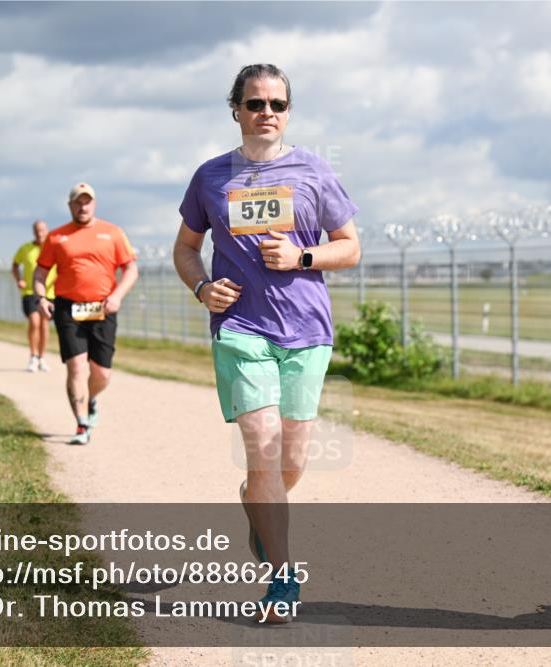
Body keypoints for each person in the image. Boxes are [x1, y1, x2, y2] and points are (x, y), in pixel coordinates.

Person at [172, 64, 360, 623]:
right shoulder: (210, 176)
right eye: (255, 103)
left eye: (277, 104)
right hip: (240, 329)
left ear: (288, 112)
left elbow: (349, 247)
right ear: (236, 110)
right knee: (263, 448)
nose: (266, 113)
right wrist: (202, 287)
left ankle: (255, 499)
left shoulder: (314, 170)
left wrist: (303, 256)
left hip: (306, 331)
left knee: (290, 462)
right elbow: (185, 249)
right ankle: (282, 579)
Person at [33, 183, 138, 445]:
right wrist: (41, 298)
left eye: (87, 202)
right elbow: (40, 273)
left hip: (103, 307)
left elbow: (131, 269)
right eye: (78, 203)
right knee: (77, 366)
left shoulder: (112, 233)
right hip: (68, 307)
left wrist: (117, 296)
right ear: (70, 206)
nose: (83, 207)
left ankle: (90, 399)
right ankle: (81, 424)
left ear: (94, 204)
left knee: (102, 374)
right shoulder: (56, 237)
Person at [12, 220, 57, 372]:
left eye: (42, 230)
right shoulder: (25, 248)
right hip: (30, 292)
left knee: (44, 324)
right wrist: (19, 279)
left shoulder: (53, 248)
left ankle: (42, 357)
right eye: (37, 230)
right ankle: (33, 356)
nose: (40, 233)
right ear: (33, 231)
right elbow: (15, 264)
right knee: (34, 322)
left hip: (49, 292)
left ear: (47, 230)